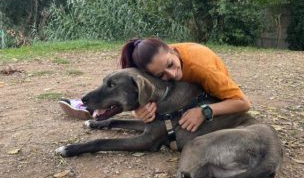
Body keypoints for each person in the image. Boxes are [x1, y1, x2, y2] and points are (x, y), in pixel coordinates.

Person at [59, 38, 250, 132]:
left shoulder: (203, 68)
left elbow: (243, 103)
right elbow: (133, 86)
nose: (172, 74)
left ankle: (91, 108)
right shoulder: (157, 59)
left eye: (171, 65)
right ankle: (89, 106)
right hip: (180, 95)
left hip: (211, 97)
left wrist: (205, 111)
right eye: (161, 75)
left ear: (171, 49)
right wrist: (139, 110)